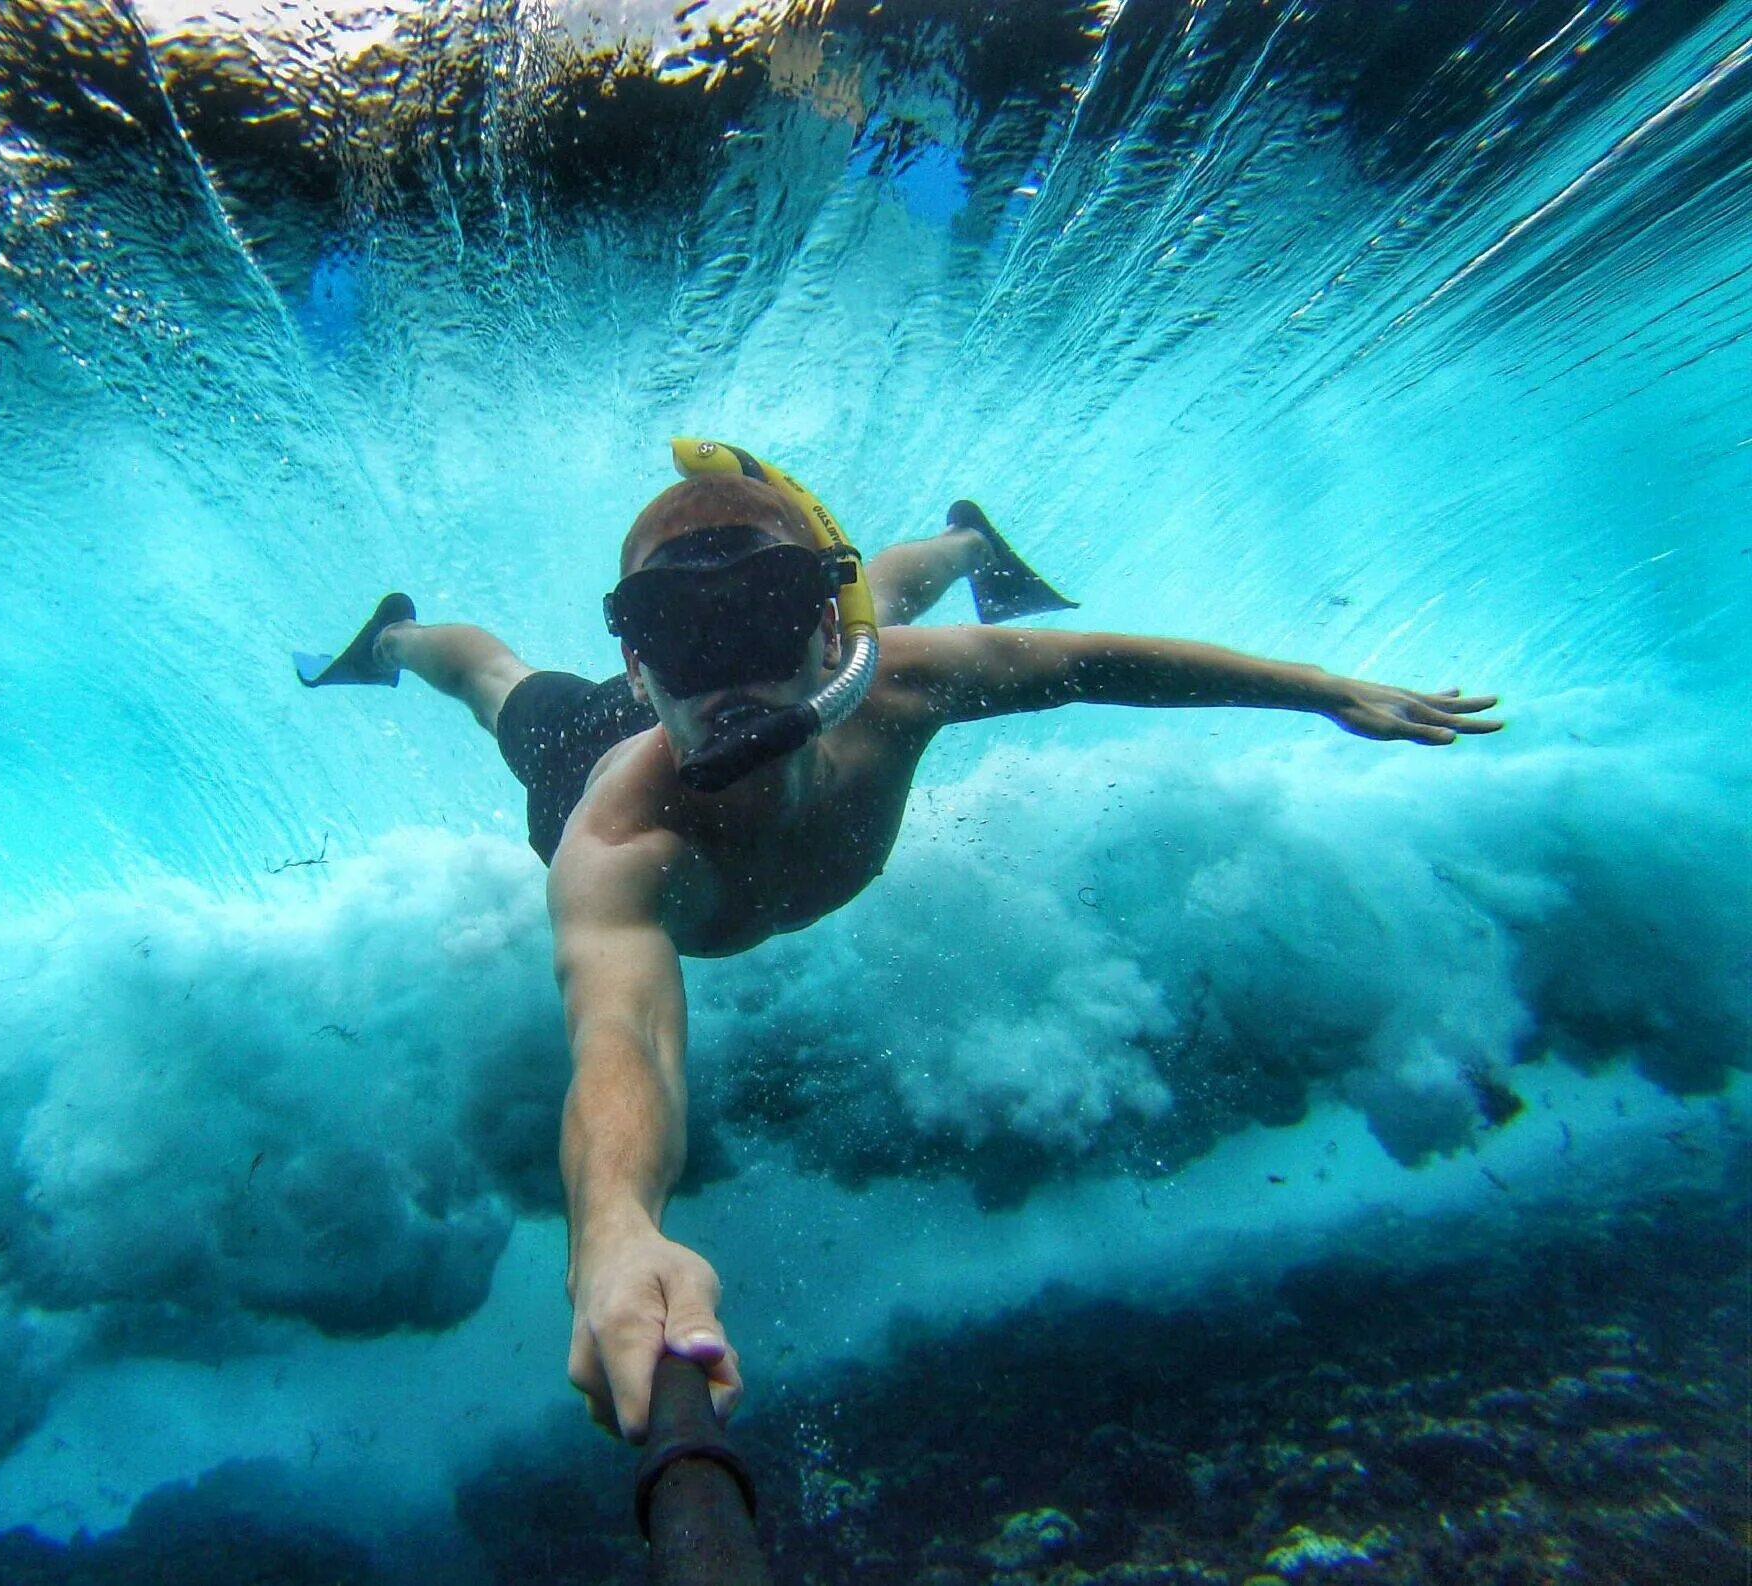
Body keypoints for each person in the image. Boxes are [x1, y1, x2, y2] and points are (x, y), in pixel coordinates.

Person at [296, 445, 1502, 1444]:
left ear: (829, 634)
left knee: (902, 583)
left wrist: (1318, 685)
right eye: (681, 633)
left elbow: (1093, 662)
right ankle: (391, 639)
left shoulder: (899, 681)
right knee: (493, 674)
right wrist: (615, 1226)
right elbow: (622, 1040)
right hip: (585, 749)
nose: (728, 678)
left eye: (763, 620)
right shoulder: (618, 840)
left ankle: (972, 543)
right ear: (638, 656)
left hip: (852, 629)